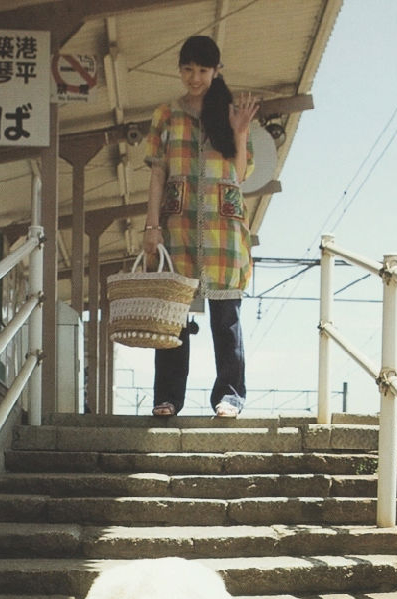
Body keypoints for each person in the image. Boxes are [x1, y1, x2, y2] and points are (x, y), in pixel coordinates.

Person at [142, 35, 259, 419]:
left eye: (203, 70)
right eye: (188, 69)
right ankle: (168, 397)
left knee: (226, 317)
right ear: (179, 69)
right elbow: (158, 173)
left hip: (224, 230)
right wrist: (151, 226)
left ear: (216, 71)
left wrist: (240, 132)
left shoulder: (230, 111)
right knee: (174, 314)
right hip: (177, 226)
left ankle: (230, 396)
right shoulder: (166, 115)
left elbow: (240, 175)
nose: (195, 78)